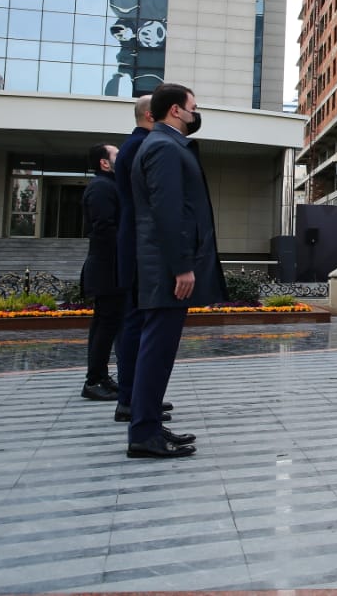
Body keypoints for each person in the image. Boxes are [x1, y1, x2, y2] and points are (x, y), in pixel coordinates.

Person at [127, 84, 225, 458]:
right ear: (175, 111)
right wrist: (182, 266)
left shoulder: (163, 145)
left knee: (159, 350)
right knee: (156, 350)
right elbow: (167, 212)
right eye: (193, 108)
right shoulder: (165, 148)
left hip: (162, 265)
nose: (195, 114)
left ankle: (149, 424)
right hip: (166, 269)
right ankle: (143, 433)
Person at [112, 96, 172, 425]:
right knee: (136, 323)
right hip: (140, 245)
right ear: (151, 115)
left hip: (135, 243)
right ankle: (131, 399)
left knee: (136, 321)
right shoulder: (142, 146)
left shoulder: (134, 145)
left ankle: (138, 398)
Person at [80, 144, 126, 401]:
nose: (122, 157)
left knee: (106, 324)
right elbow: (104, 228)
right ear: (104, 163)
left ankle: (100, 377)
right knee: (105, 325)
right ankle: (94, 380)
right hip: (107, 268)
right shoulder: (101, 187)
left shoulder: (109, 185)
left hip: (110, 266)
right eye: (116, 155)